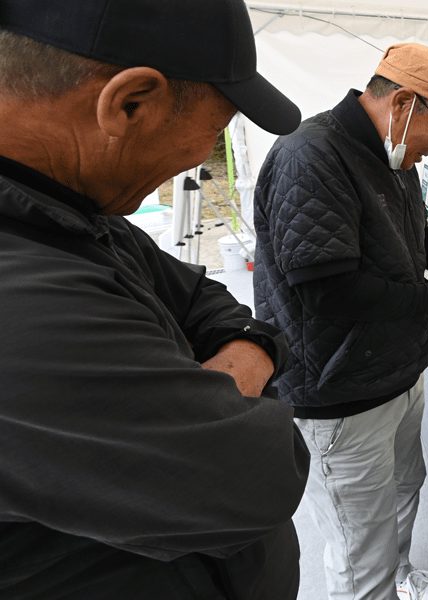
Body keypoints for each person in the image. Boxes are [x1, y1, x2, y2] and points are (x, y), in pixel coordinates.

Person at [0, 1, 311, 598]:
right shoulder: (22, 300)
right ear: (130, 103)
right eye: (217, 128)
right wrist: (239, 380)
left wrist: (235, 360)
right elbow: (257, 475)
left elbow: (207, 299)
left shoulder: (73, 209)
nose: (204, 155)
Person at [253, 43, 428, 600]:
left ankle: (401, 576)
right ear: (404, 103)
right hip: (339, 392)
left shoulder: (392, 155)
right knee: (361, 550)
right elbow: (327, 289)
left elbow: (414, 237)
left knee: (404, 491)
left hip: (394, 373)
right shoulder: (310, 156)